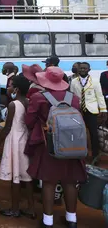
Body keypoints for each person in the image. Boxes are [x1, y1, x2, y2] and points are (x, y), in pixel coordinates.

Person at [25, 67, 86, 228]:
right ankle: (71, 219)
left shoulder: (38, 97)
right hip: (72, 145)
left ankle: (48, 221)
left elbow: (29, 122)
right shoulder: (73, 98)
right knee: (70, 182)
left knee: (49, 182)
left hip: (48, 145)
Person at [0, 74, 35, 219]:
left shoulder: (13, 104)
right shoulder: (28, 101)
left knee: (15, 177)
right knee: (27, 176)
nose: (8, 87)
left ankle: (14, 209)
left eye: (11, 85)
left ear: (17, 89)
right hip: (25, 138)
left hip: (14, 140)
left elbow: (7, 128)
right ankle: (31, 208)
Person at [70, 62, 107, 161]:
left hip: (92, 110)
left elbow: (99, 96)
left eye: (85, 68)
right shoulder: (74, 82)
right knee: (79, 132)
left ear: (89, 70)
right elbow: (72, 96)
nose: (82, 70)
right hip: (79, 110)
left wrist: (103, 109)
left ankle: (95, 154)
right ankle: (80, 152)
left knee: (93, 132)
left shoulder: (94, 81)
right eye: (81, 68)